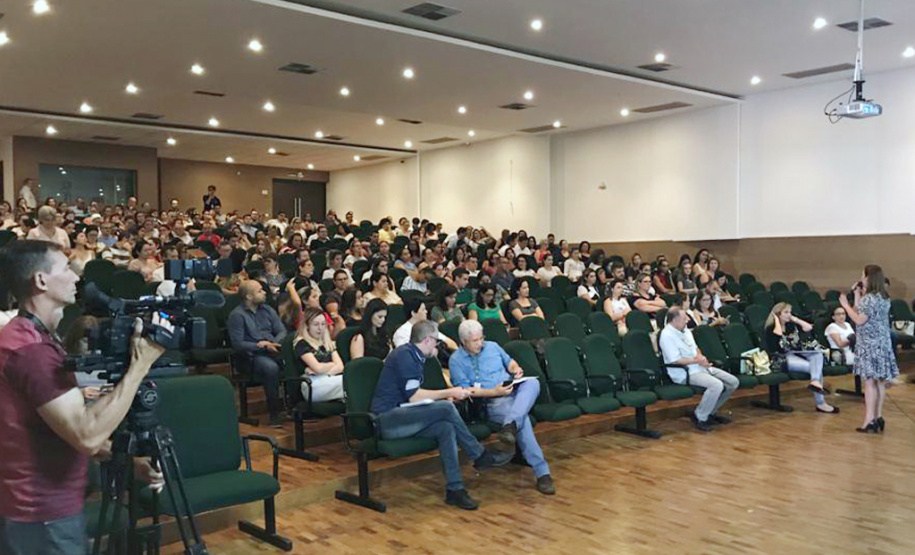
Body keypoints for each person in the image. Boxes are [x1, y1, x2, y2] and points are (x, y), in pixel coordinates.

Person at [0, 240, 167, 554]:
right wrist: (140, 365)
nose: (76, 276)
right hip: (41, 516)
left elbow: (61, 429)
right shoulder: (30, 351)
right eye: (65, 268)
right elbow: (86, 435)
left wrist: (128, 463)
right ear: (40, 280)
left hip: (45, 510)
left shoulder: (35, 339)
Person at [371, 321, 513, 510]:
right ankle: (478, 454)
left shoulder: (414, 356)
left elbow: (412, 399)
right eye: (436, 342)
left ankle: (455, 489)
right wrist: (448, 393)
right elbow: (414, 397)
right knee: (446, 409)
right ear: (428, 340)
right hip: (387, 419)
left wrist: (445, 397)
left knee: (445, 428)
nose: (437, 346)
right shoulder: (406, 356)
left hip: (403, 416)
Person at [449, 320, 555, 494]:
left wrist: (515, 369)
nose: (480, 343)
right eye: (474, 341)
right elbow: (466, 391)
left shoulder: (492, 346)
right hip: (492, 401)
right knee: (524, 420)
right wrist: (493, 391)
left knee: (533, 383)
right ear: (463, 342)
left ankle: (510, 425)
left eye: (481, 338)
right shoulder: (457, 360)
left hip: (514, 392)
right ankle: (542, 473)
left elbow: (510, 362)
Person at [659, 307, 739, 432]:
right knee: (716, 385)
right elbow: (676, 360)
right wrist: (697, 361)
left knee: (733, 382)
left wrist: (701, 357)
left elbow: (695, 348)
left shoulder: (685, 331)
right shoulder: (666, 335)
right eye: (683, 318)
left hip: (698, 366)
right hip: (684, 371)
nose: (687, 320)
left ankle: (710, 411)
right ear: (674, 320)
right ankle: (700, 416)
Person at [840, 265, 898, 433]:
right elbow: (861, 310)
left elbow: (859, 319)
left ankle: (869, 420)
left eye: (862, 275)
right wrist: (857, 294)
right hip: (882, 343)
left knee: (870, 382)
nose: (861, 278)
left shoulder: (870, 299)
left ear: (868, 277)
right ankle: (878, 416)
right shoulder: (883, 297)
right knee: (879, 381)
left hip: (870, 344)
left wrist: (845, 305)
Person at [227, 280, 287, 427]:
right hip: (251, 356)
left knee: (294, 359)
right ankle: (274, 414)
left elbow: (282, 330)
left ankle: (295, 406)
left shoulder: (267, 310)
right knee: (270, 368)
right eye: (260, 291)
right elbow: (238, 344)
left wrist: (274, 343)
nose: (264, 292)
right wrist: (260, 345)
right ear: (248, 296)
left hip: (273, 349)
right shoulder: (237, 315)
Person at [764, 303, 837, 414]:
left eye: (790, 312)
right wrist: (777, 320)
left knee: (817, 354)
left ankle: (815, 382)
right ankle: (821, 403)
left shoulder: (791, 325)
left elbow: (808, 327)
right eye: (786, 312)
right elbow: (778, 338)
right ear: (778, 314)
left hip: (796, 353)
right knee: (815, 368)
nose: (789, 315)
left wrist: (795, 319)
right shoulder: (771, 328)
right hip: (780, 358)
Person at [293, 307, 345, 403]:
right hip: (312, 385)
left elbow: (340, 367)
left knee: (351, 382)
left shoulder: (327, 342)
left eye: (323, 324)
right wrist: (331, 364)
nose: (320, 328)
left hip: (329, 379)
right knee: (350, 382)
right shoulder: (301, 343)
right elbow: (318, 368)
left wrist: (322, 371)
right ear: (307, 325)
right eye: (316, 324)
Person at [392, 297, 458, 350]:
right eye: (423, 310)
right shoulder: (402, 333)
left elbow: (449, 342)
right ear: (413, 313)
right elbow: (404, 354)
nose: (426, 312)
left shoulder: (429, 326)